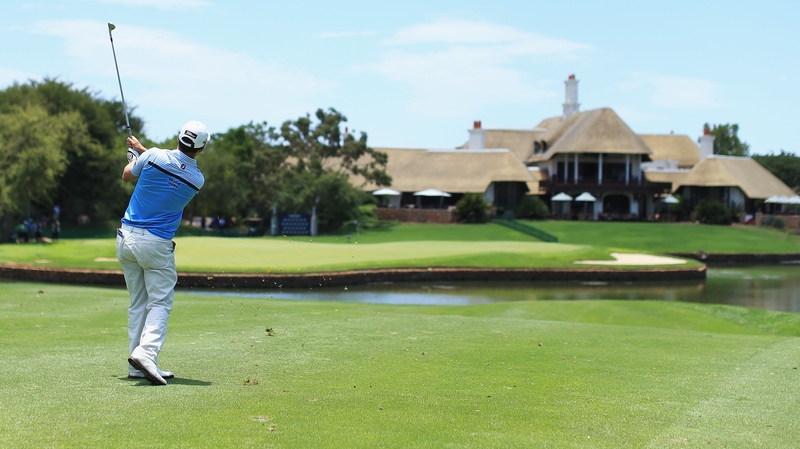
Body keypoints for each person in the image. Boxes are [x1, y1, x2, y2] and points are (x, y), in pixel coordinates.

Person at [117, 120, 208, 386]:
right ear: (201, 148)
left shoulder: (153, 155)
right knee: (159, 302)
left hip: (126, 238)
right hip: (156, 245)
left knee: (138, 303)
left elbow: (127, 175)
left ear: (178, 137)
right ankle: (145, 354)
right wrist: (141, 152)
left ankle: (138, 363)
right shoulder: (196, 179)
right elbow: (173, 169)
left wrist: (137, 156)